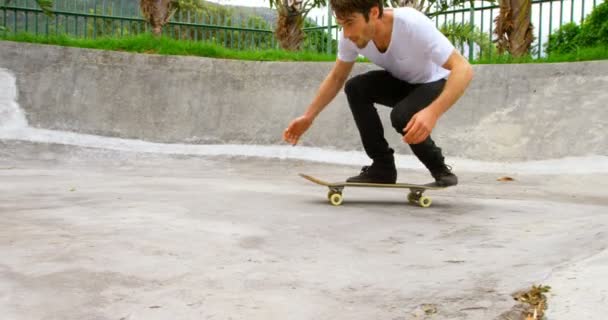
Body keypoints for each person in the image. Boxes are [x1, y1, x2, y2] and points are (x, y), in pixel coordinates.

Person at [283, 0, 474, 186]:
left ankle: (440, 169)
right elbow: (336, 78)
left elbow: (463, 68)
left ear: (374, 13)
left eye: (350, 23)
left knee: (401, 116)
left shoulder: (412, 24)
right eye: (342, 24)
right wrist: (309, 116)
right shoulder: (350, 37)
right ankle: (382, 168)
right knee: (355, 88)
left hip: (433, 83)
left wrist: (433, 112)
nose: (347, 33)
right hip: (402, 82)